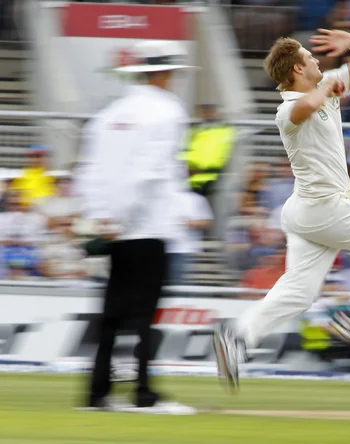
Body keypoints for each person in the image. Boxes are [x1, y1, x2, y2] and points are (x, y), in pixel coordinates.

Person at [214, 29, 350, 391]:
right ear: (296, 70)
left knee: (299, 293)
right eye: (310, 58)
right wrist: (327, 88)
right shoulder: (286, 108)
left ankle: (238, 338)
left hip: (306, 212)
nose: (318, 60)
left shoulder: (326, 83)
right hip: (324, 207)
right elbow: (306, 107)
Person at [76, 40, 195, 414]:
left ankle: (97, 394)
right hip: (146, 225)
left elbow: (88, 171)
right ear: (164, 73)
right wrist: (123, 217)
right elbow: (149, 172)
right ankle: (143, 394)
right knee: (144, 315)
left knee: (111, 313)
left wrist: (102, 218)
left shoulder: (109, 114)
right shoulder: (167, 112)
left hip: (113, 227)